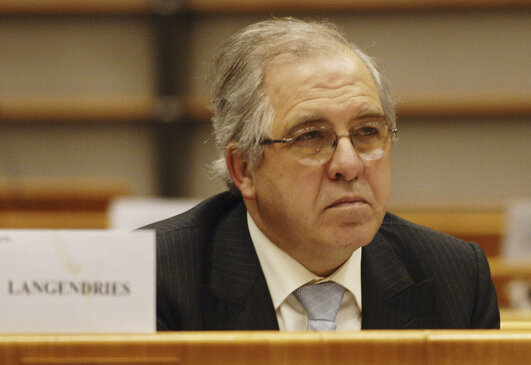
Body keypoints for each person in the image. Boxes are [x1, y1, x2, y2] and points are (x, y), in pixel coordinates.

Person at [147, 17, 500, 331]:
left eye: (367, 132)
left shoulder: (455, 280)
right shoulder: (155, 281)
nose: (348, 164)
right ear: (244, 169)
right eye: (312, 137)